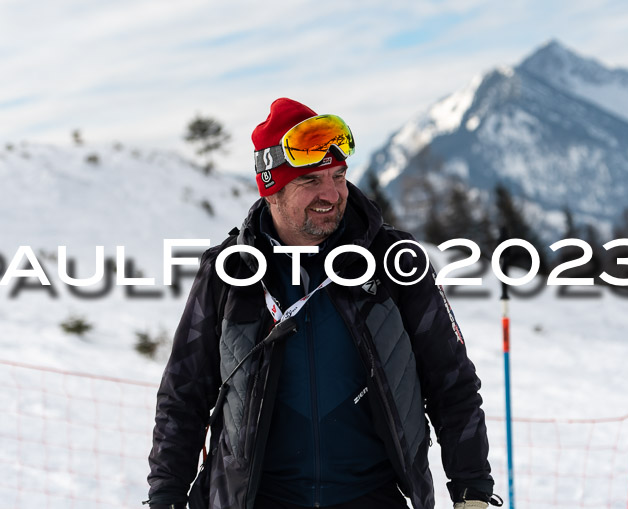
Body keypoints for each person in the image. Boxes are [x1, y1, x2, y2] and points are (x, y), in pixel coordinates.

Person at [146, 98, 500, 509]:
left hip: (372, 498)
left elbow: (451, 380)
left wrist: (471, 488)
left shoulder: (393, 261)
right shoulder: (229, 272)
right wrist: (166, 495)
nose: (332, 194)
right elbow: (183, 396)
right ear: (271, 189)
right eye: (310, 180)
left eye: (339, 175)